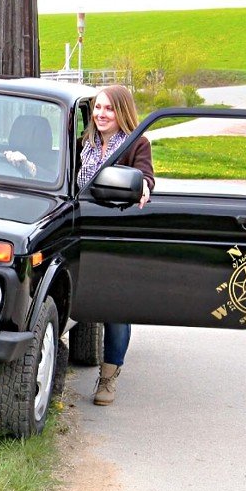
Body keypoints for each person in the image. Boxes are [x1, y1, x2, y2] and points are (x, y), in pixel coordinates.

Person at [78, 84, 155, 406]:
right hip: (79, 227)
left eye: (108, 108)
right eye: (97, 108)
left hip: (113, 231)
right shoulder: (83, 141)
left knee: (115, 307)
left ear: (122, 111)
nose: (101, 114)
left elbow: (145, 177)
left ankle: (108, 378)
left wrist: (143, 188)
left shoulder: (137, 143)